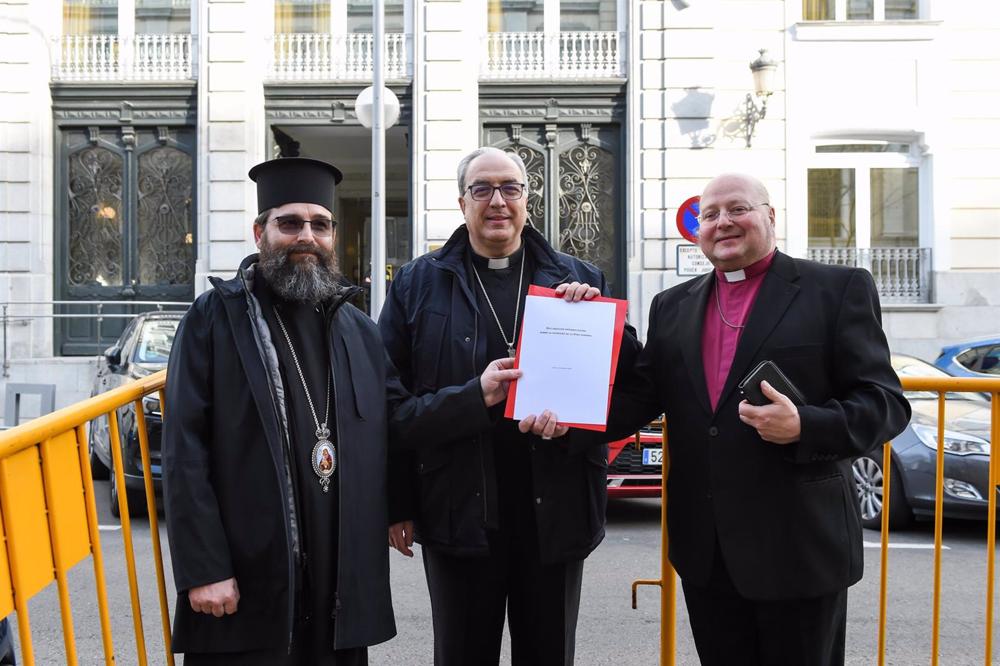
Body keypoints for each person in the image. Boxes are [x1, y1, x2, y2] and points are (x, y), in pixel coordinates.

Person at [162, 157, 520, 665]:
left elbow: (394, 423)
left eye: (320, 225)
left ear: (333, 235)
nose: (306, 236)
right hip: (247, 573)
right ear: (260, 231)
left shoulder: (356, 327)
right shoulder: (215, 318)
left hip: (339, 576)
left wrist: (473, 399)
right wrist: (203, 568)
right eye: (290, 223)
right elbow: (185, 449)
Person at [560, 172, 911, 665]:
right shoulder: (672, 305)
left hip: (798, 548)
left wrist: (806, 426)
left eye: (737, 209)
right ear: (697, 229)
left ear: (770, 217)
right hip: (708, 551)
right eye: (709, 214)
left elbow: (884, 402)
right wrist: (583, 343)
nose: (723, 222)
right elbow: (641, 396)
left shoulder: (836, 288)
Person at [379, 146, 641, 666]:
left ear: (527, 200)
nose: (497, 201)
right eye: (482, 189)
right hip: (458, 510)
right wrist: (398, 500)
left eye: (510, 188)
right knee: (461, 655)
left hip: (556, 512)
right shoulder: (416, 282)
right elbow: (388, 403)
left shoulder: (578, 276)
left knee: (548, 655)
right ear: (462, 202)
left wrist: (600, 322)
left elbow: (629, 383)